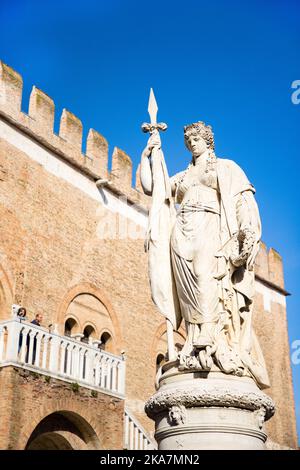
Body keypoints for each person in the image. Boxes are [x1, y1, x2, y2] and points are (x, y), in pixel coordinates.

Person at [140, 121, 269, 389]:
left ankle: (214, 344)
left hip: (211, 230)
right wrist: (149, 153)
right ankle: (193, 343)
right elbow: (153, 187)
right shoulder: (183, 176)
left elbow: (243, 200)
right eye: (188, 141)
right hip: (182, 234)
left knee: (207, 283)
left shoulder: (226, 167)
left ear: (207, 140)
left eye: (195, 138)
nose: (191, 143)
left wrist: (245, 233)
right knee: (189, 294)